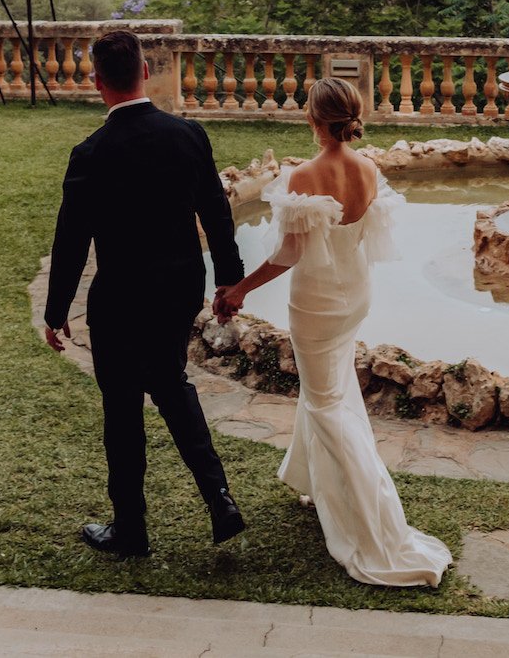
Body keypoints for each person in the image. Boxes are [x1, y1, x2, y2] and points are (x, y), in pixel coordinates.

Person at [213, 79, 451, 588]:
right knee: (331, 390)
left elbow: (288, 254)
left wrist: (240, 289)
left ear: (312, 119)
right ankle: (312, 481)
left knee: (325, 403)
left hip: (317, 305)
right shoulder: (367, 168)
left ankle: (377, 523)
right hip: (355, 296)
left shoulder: (305, 174)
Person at [42, 30, 247, 558]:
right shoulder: (188, 135)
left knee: (122, 407)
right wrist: (229, 277)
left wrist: (57, 308)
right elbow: (216, 213)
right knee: (171, 381)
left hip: (120, 296)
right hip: (179, 287)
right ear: (145, 73)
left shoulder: (90, 152)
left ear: (96, 83)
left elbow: (71, 238)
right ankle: (219, 498)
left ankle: (130, 529)